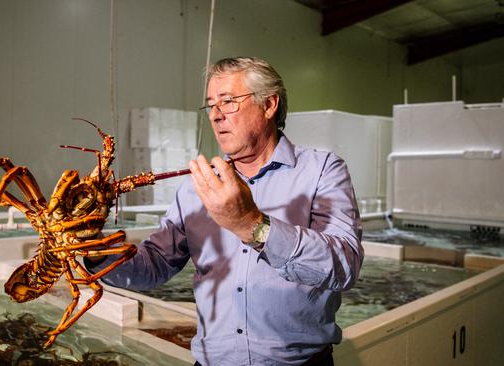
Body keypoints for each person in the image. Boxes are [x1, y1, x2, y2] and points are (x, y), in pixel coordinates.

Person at [87, 56, 363, 366]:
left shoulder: (322, 170)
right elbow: (154, 265)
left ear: (269, 105)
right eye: (210, 106)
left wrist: (251, 224)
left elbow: (344, 266)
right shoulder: (196, 187)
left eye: (228, 102)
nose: (216, 116)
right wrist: (94, 250)